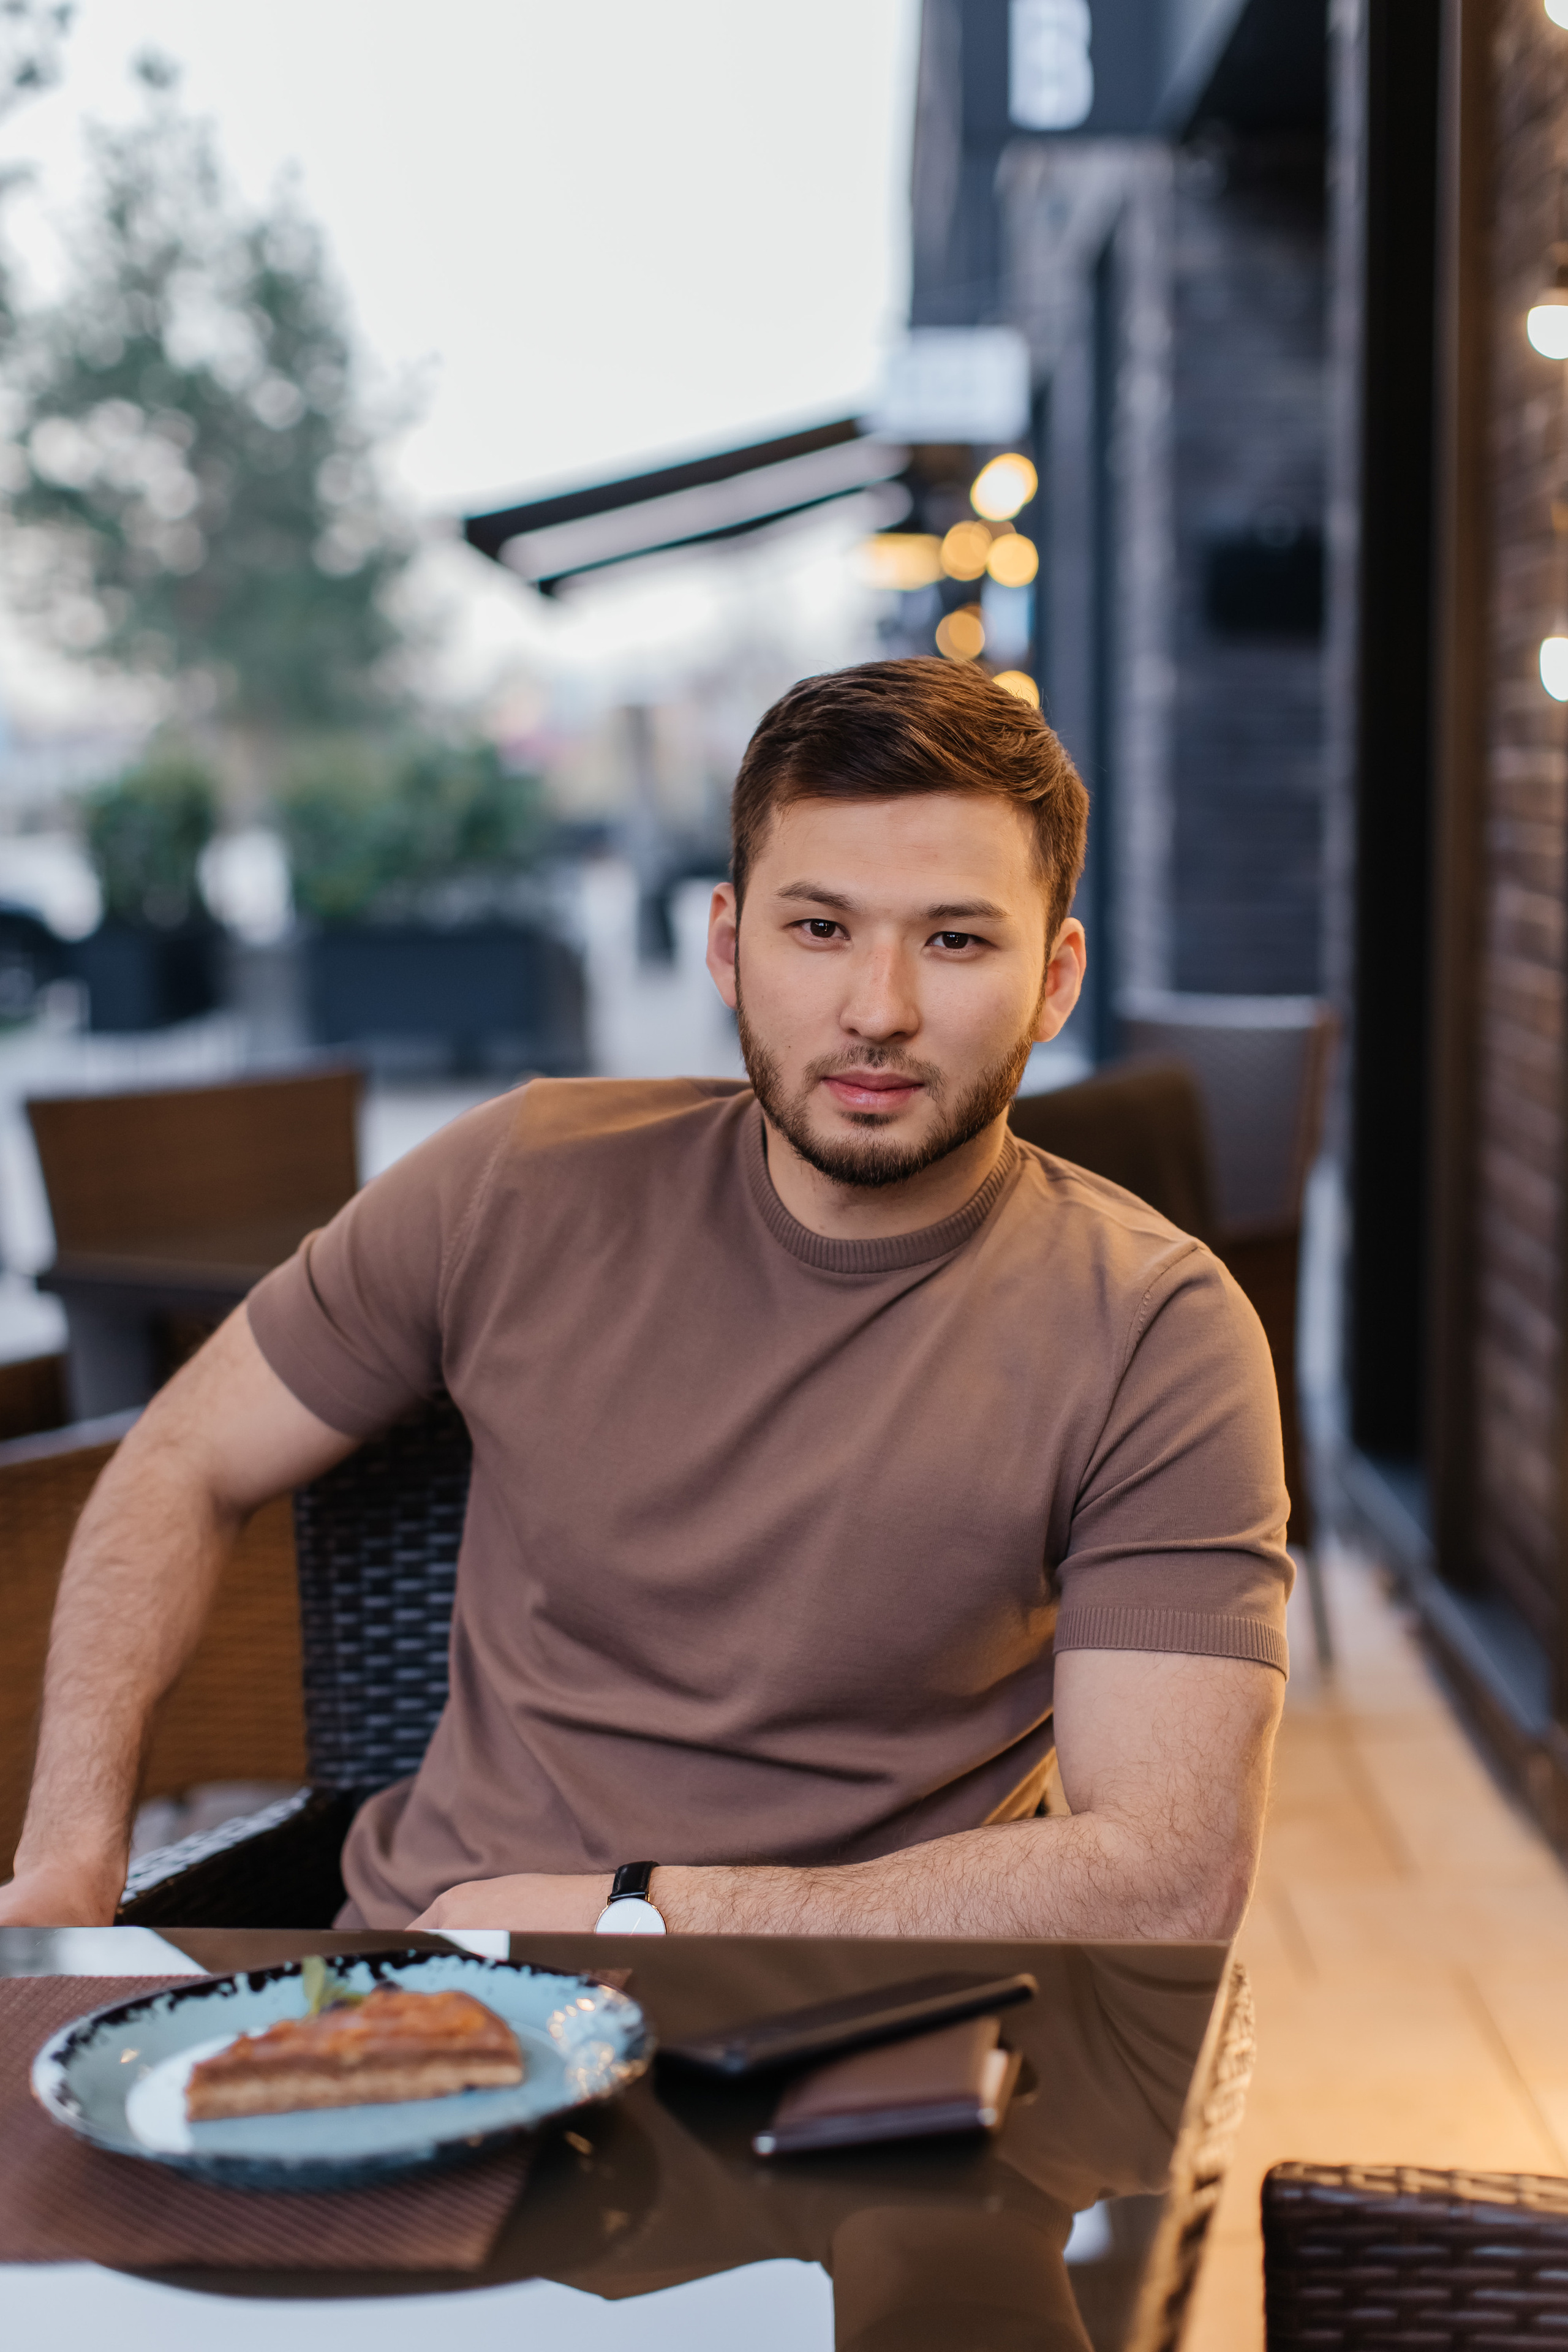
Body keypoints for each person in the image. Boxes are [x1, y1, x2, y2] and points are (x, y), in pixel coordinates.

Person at [0, 658, 1289, 1936]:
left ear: (1054, 981)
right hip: (430, 1979)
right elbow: (180, 1458)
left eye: (953, 940)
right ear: (728, 946)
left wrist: (636, 1911)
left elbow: (1166, 1876)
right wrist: (68, 1855)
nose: (876, 1010)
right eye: (819, 928)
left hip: (847, 2032)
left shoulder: (1152, 1332)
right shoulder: (516, 1182)